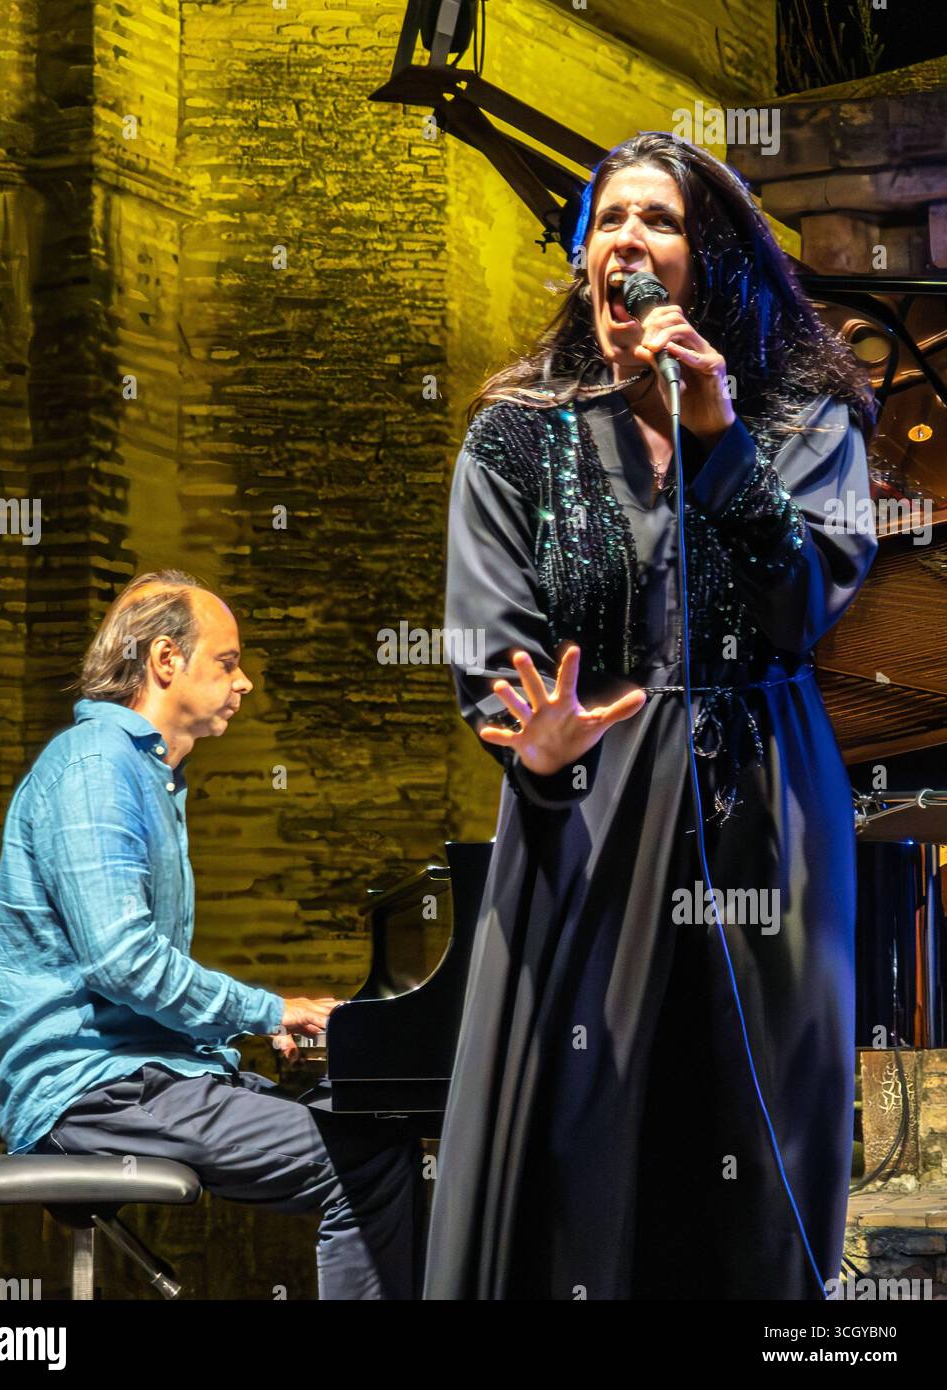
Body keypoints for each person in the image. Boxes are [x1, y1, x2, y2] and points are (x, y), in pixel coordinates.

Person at [422, 132, 879, 1300]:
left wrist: (720, 434)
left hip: (765, 819)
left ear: (710, 261)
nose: (627, 239)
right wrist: (532, 735)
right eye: (607, 222)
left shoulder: (803, 420)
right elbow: (491, 642)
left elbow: (803, 603)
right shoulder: (516, 435)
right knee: (583, 1162)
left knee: (757, 1174)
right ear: (585, 261)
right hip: (587, 814)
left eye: (659, 221)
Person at [0, 570, 423, 1299]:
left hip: (142, 1078)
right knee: (368, 1160)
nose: (244, 681)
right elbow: (124, 965)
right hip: (90, 1094)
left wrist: (253, 1033)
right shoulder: (96, 768)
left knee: (373, 1125)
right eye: (227, 661)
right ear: (164, 660)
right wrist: (268, 1011)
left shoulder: (144, 776)